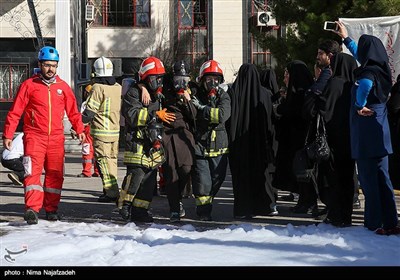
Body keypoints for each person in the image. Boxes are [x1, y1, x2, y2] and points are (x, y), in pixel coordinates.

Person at [2, 46, 85, 224]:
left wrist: (80, 130)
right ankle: (32, 209)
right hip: (34, 137)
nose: (50, 69)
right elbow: (15, 111)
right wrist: (8, 134)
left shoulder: (63, 87)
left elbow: (73, 112)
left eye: (54, 66)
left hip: (56, 138)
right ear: (40, 64)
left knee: (55, 174)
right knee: (32, 173)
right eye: (47, 65)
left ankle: (51, 209)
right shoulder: (29, 85)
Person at [334, 21, 399, 235]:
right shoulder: (381, 69)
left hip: (366, 137)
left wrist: (358, 105)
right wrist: (345, 38)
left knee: (369, 181)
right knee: (384, 179)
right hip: (381, 136)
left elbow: (364, 85)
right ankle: (390, 221)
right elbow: (361, 56)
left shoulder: (367, 74)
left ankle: (374, 222)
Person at [303, 52, 358, 227]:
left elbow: (323, 109)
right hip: (350, 140)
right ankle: (345, 215)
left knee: (334, 178)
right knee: (348, 179)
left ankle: (335, 214)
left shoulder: (334, 83)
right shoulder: (353, 85)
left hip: (333, 140)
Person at [118, 56, 173, 222]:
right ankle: (124, 206)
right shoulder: (134, 93)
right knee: (135, 178)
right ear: (145, 78)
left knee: (149, 183)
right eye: (154, 78)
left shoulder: (157, 95)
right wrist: (155, 114)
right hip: (136, 143)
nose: (158, 82)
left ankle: (140, 211)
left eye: (160, 78)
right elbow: (132, 115)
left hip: (152, 145)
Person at [227, 63, 277, 218]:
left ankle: (242, 208)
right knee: (259, 176)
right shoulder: (265, 94)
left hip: (238, 145)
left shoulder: (233, 93)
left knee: (241, 177)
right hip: (259, 144)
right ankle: (262, 206)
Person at [191, 59, 231, 221]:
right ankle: (203, 211)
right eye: (208, 79)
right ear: (202, 80)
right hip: (200, 146)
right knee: (203, 181)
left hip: (219, 147)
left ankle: (208, 200)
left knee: (217, 179)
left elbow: (222, 116)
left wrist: (202, 109)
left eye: (216, 79)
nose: (212, 83)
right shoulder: (195, 94)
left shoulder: (224, 96)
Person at [161, 60, 197, 222]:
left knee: (186, 169)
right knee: (170, 171)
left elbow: (194, 116)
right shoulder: (164, 88)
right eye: (178, 79)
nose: (181, 83)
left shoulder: (192, 90)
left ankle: (180, 197)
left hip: (184, 133)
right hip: (167, 133)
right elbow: (143, 81)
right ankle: (174, 208)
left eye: (184, 79)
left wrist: (187, 100)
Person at [82, 56, 121, 202]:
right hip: (115, 132)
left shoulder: (98, 88)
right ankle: (110, 189)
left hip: (101, 132)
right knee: (112, 161)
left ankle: (111, 192)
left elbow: (89, 112)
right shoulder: (118, 87)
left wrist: (78, 124)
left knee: (103, 162)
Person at [76, 84, 100, 178]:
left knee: (87, 150)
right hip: (98, 128)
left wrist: (77, 129)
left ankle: (86, 171)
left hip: (88, 129)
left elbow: (83, 118)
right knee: (97, 151)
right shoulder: (99, 101)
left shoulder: (86, 104)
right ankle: (98, 171)